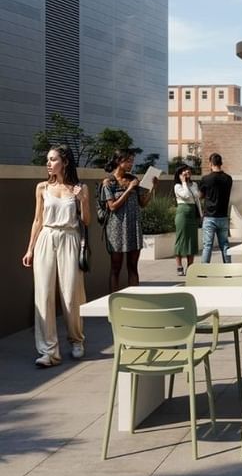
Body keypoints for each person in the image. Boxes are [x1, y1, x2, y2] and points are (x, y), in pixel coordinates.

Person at [22, 146, 89, 367]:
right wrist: (30, 248)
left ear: (65, 162)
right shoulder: (42, 187)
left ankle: (76, 340)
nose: (48, 164)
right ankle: (48, 351)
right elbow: (37, 220)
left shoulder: (80, 188)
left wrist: (83, 201)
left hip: (69, 238)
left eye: (53, 160)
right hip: (46, 238)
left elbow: (87, 221)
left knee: (71, 294)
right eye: (47, 160)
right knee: (44, 295)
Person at [102, 148, 158, 292]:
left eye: (132, 161)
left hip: (133, 227)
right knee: (116, 268)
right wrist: (128, 190)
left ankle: (135, 299)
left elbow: (143, 203)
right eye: (127, 161)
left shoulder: (133, 179)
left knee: (133, 267)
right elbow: (112, 207)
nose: (130, 164)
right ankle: (112, 302)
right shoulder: (109, 182)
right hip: (116, 229)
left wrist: (152, 188)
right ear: (118, 161)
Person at [199, 153, 233, 263]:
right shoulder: (228, 179)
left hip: (209, 216)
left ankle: (204, 272)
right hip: (223, 216)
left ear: (210, 163)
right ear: (221, 163)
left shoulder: (206, 179)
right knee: (225, 244)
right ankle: (228, 270)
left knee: (208, 245)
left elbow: (200, 195)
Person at [173, 164, 201, 276]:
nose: (187, 172)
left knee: (192, 240)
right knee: (181, 239)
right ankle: (179, 265)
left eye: (188, 170)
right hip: (183, 212)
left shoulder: (194, 184)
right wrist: (184, 182)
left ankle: (190, 266)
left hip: (193, 212)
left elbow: (196, 199)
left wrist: (200, 213)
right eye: (184, 171)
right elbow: (185, 195)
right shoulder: (177, 186)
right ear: (179, 174)